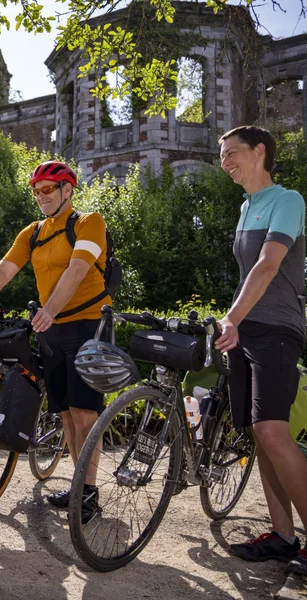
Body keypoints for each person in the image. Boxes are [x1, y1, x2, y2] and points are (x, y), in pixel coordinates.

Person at [0, 160, 111, 523]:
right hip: (51, 327)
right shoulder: (34, 232)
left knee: (86, 411)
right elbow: (6, 268)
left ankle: (88, 492)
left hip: (88, 325)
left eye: (48, 189)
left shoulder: (90, 222)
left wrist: (51, 308)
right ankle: (78, 485)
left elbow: (78, 268)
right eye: (36, 191)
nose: (41, 197)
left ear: (67, 190)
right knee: (66, 413)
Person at [216, 125, 307, 576]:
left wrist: (231, 317)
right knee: (259, 433)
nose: (225, 161)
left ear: (260, 151)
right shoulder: (246, 206)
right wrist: (233, 320)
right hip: (245, 329)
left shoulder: (287, 199)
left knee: (273, 432)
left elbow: (269, 265)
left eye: (232, 153)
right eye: (222, 155)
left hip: (276, 327)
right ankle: (282, 535)